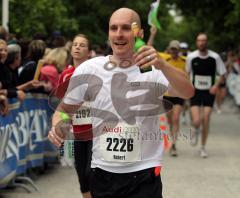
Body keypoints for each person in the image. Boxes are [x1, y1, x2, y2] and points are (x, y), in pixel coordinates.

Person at [48, 8, 194, 198]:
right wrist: (59, 123)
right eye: (113, 28)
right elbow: (64, 109)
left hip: (145, 171)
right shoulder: (90, 69)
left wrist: (164, 65)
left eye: (126, 28)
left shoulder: (153, 69)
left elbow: (188, 92)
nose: (118, 34)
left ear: (139, 33)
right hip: (103, 172)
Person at [55, 34, 93, 198]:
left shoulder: (95, 72)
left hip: (95, 131)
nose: (77, 47)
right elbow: (61, 105)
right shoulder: (66, 74)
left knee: (92, 173)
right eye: (75, 44)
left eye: (82, 45)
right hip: (77, 132)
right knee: (82, 176)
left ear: (89, 52)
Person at [186, 33, 226, 158]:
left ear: (206, 42)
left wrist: (216, 86)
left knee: (206, 118)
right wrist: (188, 87)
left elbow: (223, 73)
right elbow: (186, 74)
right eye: (199, 41)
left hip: (209, 91)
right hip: (195, 91)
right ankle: (194, 128)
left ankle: (203, 147)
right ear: (196, 43)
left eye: (203, 40)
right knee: (197, 120)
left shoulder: (215, 57)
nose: (201, 43)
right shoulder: (191, 57)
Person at [162, 40, 186, 157]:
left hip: (179, 95)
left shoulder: (184, 62)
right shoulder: (165, 60)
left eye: (176, 49)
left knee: (176, 118)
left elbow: (187, 77)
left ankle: (174, 144)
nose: (174, 51)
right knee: (170, 121)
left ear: (179, 50)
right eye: (172, 49)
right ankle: (172, 138)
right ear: (169, 49)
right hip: (167, 95)